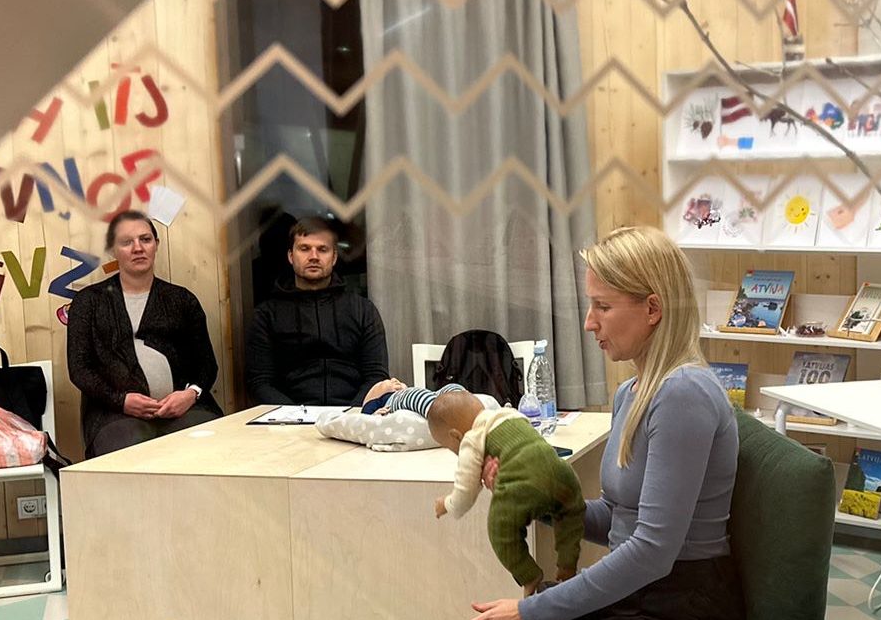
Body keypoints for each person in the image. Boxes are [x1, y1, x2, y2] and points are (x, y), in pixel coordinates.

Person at [420, 226, 744, 620]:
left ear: (653, 308)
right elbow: (619, 520)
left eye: (602, 306)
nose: (589, 322)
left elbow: (651, 550)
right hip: (646, 608)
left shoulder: (682, 395)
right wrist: (537, 498)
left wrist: (529, 614)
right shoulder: (635, 392)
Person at [67, 210, 223, 456]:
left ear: (156, 244)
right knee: (130, 451)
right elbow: (80, 369)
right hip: (114, 413)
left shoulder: (182, 300)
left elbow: (207, 364)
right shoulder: (89, 302)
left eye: (145, 239)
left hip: (185, 409)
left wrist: (191, 394)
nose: (138, 248)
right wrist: (120, 400)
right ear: (113, 250)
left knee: (209, 444)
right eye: (126, 242)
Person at [425, 388, 584, 594]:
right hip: (562, 472)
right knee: (571, 514)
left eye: (449, 447)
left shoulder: (471, 439)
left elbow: (465, 494)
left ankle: (529, 574)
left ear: (455, 436)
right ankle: (567, 564)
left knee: (500, 530)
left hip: (523, 482)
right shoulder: (510, 414)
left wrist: (445, 504)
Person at [244, 217, 391, 407]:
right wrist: (295, 416)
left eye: (322, 249)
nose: (313, 256)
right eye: (304, 248)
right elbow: (259, 382)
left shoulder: (363, 310)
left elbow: (376, 375)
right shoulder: (266, 315)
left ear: (334, 257)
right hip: (287, 418)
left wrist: (351, 414)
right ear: (291, 256)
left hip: (354, 414)